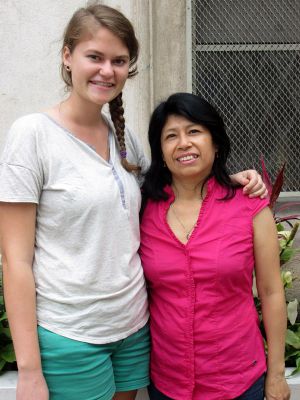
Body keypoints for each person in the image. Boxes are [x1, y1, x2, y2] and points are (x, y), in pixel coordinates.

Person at [0, 4, 266, 400]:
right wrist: (29, 371)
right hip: (72, 334)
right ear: (67, 56)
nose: (107, 70)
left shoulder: (122, 139)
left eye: (119, 60)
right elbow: (14, 260)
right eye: (95, 57)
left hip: (133, 330)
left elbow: (171, 186)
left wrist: (227, 179)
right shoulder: (33, 135)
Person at [140, 93, 290, 400]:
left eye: (194, 131)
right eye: (171, 136)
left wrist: (276, 374)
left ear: (216, 143)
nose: (183, 143)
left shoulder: (250, 205)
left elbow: (272, 291)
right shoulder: (144, 209)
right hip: (167, 383)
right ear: (161, 152)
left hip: (238, 382)